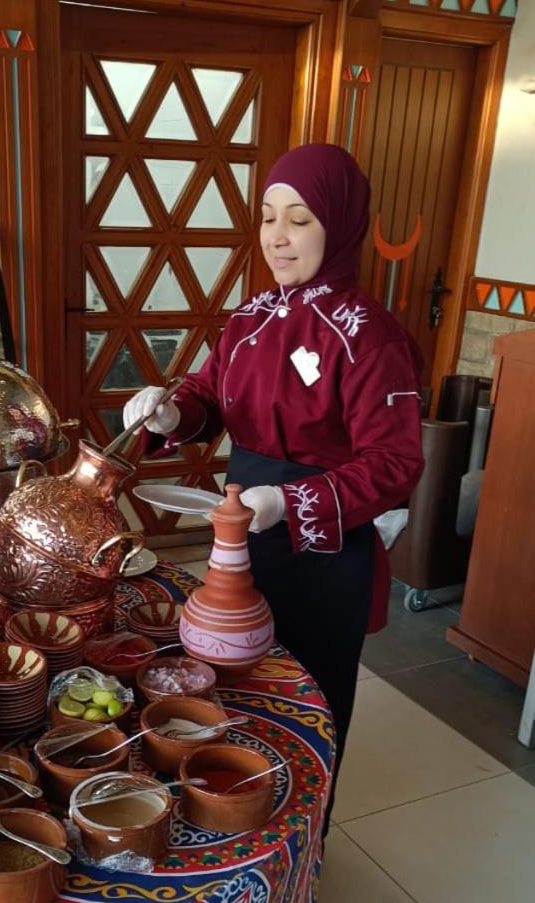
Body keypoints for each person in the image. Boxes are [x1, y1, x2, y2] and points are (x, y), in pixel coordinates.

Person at [123, 143, 424, 832]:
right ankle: (240, 823)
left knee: (310, 698)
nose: (278, 237)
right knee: (240, 681)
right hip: (244, 526)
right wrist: (173, 410)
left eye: (300, 220)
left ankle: (305, 845)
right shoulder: (252, 317)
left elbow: (396, 461)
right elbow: (209, 394)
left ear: (340, 226)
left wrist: (288, 502)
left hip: (323, 546)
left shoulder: (370, 336)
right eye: (267, 218)